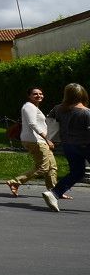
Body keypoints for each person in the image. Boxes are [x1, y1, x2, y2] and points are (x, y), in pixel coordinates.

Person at [46, 82, 90, 212]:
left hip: (68, 145)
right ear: (83, 95)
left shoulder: (58, 109)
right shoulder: (86, 113)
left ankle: (54, 193)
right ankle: (55, 193)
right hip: (85, 145)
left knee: (77, 172)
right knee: (78, 172)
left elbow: (49, 120)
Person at [7, 87, 57, 198]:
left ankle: (55, 192)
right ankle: (15, 182)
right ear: (29, 96)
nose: (39, 95)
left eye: (41, 93)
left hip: (38, 140)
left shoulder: (33, 107)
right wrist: (46, 139)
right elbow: (32, 124)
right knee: (43, 167)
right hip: (35, 141)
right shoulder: (29, 107)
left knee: (52, 166)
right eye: (35, 94)